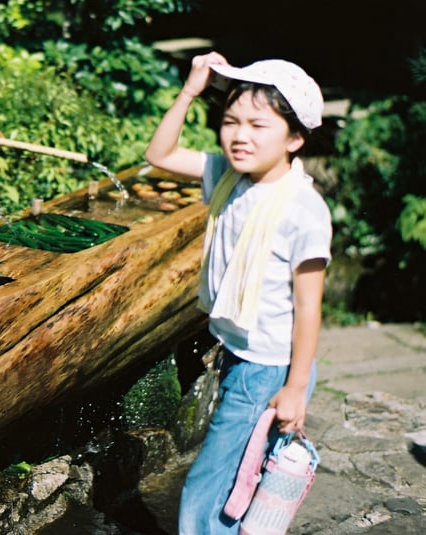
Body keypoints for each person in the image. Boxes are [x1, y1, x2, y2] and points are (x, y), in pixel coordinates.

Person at [144, 51, 332, 534]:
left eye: (257, 124)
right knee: (243, 478)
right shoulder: (227, 177)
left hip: (267, 368)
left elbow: (310, 307)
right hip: (242, 353)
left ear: (295, 138)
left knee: (210, 484)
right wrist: (190, 90)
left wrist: (294, 389)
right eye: (230, 121)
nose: (239, 135)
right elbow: (159, 155)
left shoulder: (302, 210)